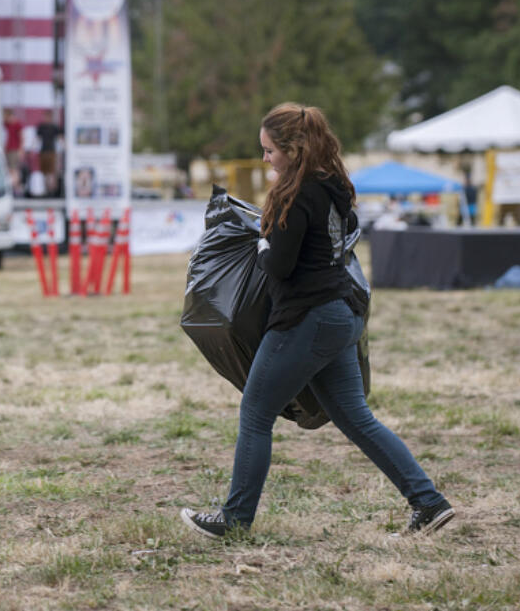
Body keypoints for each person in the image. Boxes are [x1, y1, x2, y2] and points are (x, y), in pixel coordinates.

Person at [180, 103, 453, 539]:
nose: (265, 158)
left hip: (305, 319)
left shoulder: (294, 194)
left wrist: (262, 245)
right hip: (340, 314)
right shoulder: (334, 186)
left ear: (291, 148)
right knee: (356, 418)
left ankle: (234, 519)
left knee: (255, 413)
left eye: (269, 150)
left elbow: (280, 266)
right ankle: (429, 501)